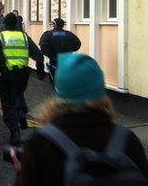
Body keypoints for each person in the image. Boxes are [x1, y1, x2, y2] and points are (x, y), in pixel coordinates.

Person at [14, 53, 148, 185]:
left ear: (59, 93)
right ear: (101, 91)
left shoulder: (41, 143)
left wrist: (21, 172)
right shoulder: (128, 140)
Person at [0, 13, 45, 145]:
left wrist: (1, 69)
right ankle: (21, 113)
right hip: (23, 74)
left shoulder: (0, 37)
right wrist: (40, 70)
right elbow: (38, 54)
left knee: (8, 103)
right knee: (18, 94)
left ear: (4, 24)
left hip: (7, 74)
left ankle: (15, 132)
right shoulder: (24, 37)